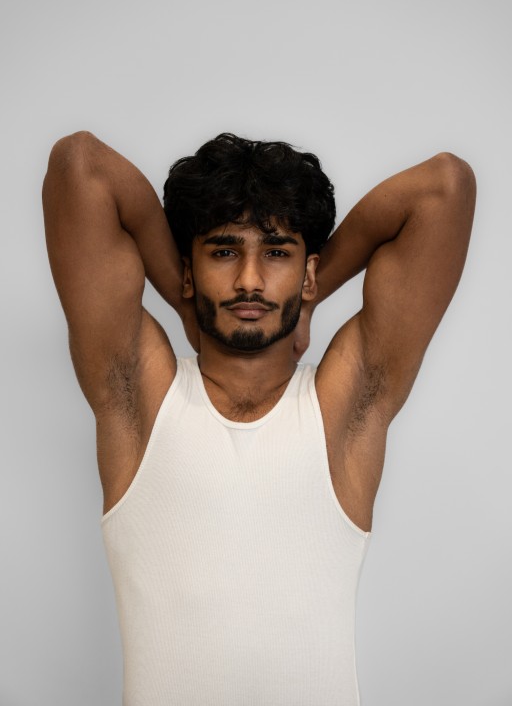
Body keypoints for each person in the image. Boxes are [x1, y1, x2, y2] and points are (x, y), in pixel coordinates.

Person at [42, 131, 476, 706]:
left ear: (307, 272)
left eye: (276, 253)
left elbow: (445, 187)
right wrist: (182, 302)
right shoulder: (140, 402)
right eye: (224, 252)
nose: (249, 280)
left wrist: (311, 296)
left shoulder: (344, 411)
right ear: (191, 271)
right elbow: (80, 166)